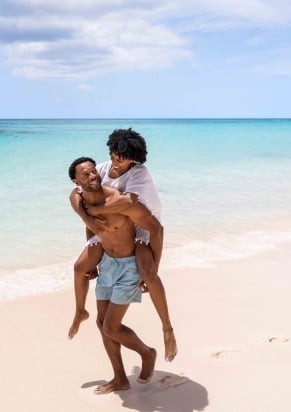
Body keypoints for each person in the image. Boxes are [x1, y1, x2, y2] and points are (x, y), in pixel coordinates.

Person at [68, 128, 177, 362]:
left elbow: (126, 202)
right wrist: (88, 218)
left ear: (134, 160)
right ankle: (79, 311)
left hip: (144, 226)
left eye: (123, 159)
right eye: (114, 156)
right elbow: (79, 192)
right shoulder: (105, 168)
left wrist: (95, 210)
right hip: (118, 226)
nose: (116, 162)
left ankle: (167, 329)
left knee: (148, 272)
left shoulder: (139, 174)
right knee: (81, 267)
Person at [69, 157, 159, 394]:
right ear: (77, 181)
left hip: (129, 263)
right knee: (102, 323)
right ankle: (120, 378)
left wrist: (152, 268)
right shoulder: (83, 198)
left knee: (110, 327)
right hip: (107, 262)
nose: (93, 176)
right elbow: (76, 201)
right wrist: (89, 225)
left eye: (93, 173)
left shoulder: (121, 195)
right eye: (85, 175)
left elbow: (154, 226)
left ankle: (147, 353)